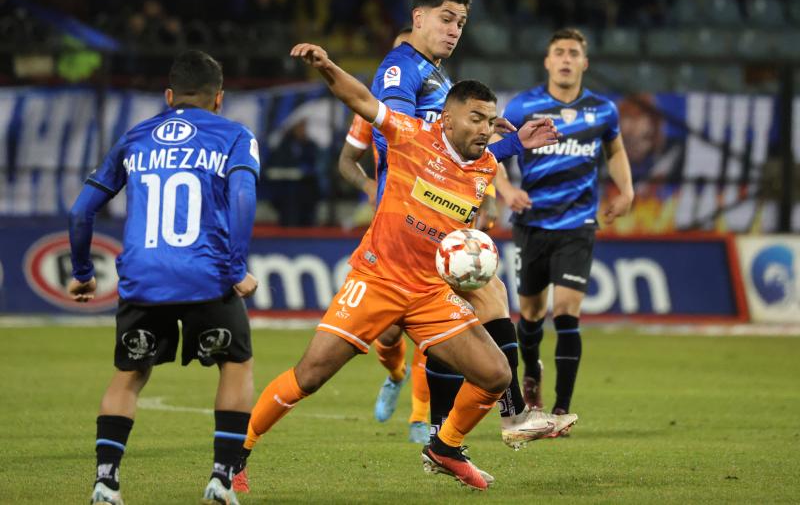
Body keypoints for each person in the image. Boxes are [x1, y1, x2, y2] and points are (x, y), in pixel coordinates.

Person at [240, 41, 561, 491]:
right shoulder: (408, 135)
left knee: (495, 375)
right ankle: (237, 454)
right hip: (378, 281)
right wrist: (328, 66)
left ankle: (445, 446)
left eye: (491, 121)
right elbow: (361, 100)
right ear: (446, 118)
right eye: (476, 119)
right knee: (310, 375)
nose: (485, 130)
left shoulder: (486, 164)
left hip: (430, 292)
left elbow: (479, 158)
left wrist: (516, 142)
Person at [337, 0, 573, 452]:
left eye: (461, 23)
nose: (454, 31)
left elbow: (455, 149)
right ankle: (476, 422)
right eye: (447, 19)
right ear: (418, 18)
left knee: (473, 307)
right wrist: (470, 130)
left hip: (436, 213)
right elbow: (398, 135)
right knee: (452, 314)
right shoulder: (400, 69)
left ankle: (454, 431)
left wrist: (499, 136)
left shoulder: (437, 76)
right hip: (412, 216)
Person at [67, 50, 260, 505]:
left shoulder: (135, 137)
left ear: (169, 96)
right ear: (219, 99)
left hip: (144, 278)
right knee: (235, 365)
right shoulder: (235, 135)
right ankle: (220, 479)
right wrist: (236, 269)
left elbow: (80, 212)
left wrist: (81, 272)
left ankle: (106, 482)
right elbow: (244, 199)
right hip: (207, 276)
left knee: (129, 375)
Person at [497, 28, 634, 422]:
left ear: (584, 62)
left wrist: (626, 190)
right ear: (547, 61)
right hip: (531, 223)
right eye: (559, 52)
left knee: (567, 312)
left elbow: (616, 148)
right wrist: (506, 190)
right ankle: (532, 370)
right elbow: (493, 154)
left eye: (574, 53)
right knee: (531, 315)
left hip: (578, 224)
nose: (566, 59)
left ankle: (561, 409)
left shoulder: (603, 110)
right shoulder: (523, 106)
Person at [338, 26, 433, 444]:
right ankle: (395, 375)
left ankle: (420, 417)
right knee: (390, 332)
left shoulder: (440, 104)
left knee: (432, 329)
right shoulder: (372, 110)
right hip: (391, 224)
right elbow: (346, 160)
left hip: (435, 225)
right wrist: (367, 188)